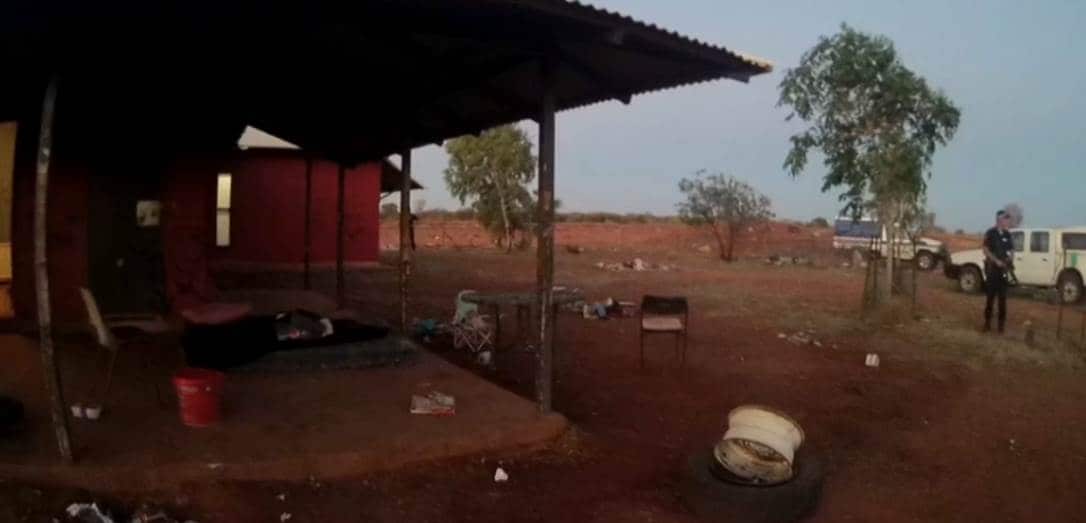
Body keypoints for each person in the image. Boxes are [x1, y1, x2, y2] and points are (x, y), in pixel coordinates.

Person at [982, 210, 1015, 333]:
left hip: (1004, 271)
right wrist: (995, 260)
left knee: (1003, 299)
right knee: (990, 298)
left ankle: (1001, 326)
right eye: (1004, 219)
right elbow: (985, 249)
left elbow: (1012, 250)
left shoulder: (1007, 234)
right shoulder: (990, 233)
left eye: (1007, 219)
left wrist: (1010, 258)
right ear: (998, 220)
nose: (1006, 221)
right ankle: (987, 323)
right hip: (993, 270)